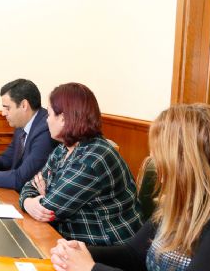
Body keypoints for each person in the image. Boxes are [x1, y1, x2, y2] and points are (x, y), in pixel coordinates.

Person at [50, 104, 210, 271]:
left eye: (158, 151)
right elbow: (132, 254)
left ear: (181, 159)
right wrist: (80, 252)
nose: (154, 160)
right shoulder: (178, 203)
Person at [19, 82, 141, 246]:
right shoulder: (64, 148)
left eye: (49, 114)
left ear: (63, 119)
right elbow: (30, 185)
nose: (46, 120)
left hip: (108, 249)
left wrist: (45, 194)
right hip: (74, 241)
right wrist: (28, 201)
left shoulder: (92, 159)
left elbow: (50, 209)